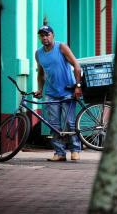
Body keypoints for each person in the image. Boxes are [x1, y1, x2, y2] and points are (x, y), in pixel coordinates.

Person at [34, 25, 83, 162]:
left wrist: (78, 86)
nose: (45, 38)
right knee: (53, 124)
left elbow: (76, 66)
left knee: (69, 122)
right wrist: (40, 89)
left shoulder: (61, 47)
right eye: (42, 35)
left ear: (53, 35)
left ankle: (75, 150)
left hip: (67, 90)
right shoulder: (39, 53)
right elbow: (41, 74)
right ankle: (60, 152)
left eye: (47, 35)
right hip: (50, 92)